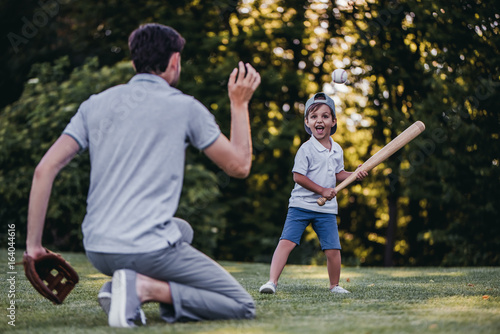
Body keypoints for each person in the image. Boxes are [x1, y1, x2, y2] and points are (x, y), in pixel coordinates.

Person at [25, 23, 261, 327]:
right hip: (146, 250)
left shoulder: (94, 104)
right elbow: (239, 167)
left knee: (183, 231)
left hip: (98, 248)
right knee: (241, 305)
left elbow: (44, 170)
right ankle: (143, 288)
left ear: (135, 61)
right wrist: (239, 103)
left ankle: (117, 288)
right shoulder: (186, 107)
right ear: (174, 61)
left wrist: (33, 246)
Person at [258, 92, 367, 295]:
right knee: (286, 243)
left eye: (325, 116)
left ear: (333, 121)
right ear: (307, 122)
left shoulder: (337, 149)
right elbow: (298, 177)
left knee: (333, 249)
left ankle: (334, 286)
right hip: (300, 205)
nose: (320, 120)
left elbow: (340, 174)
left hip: (326, 209)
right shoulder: (306, 149)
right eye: (314, 116)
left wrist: (355, 174)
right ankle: (271, 282)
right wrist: (322, 190)